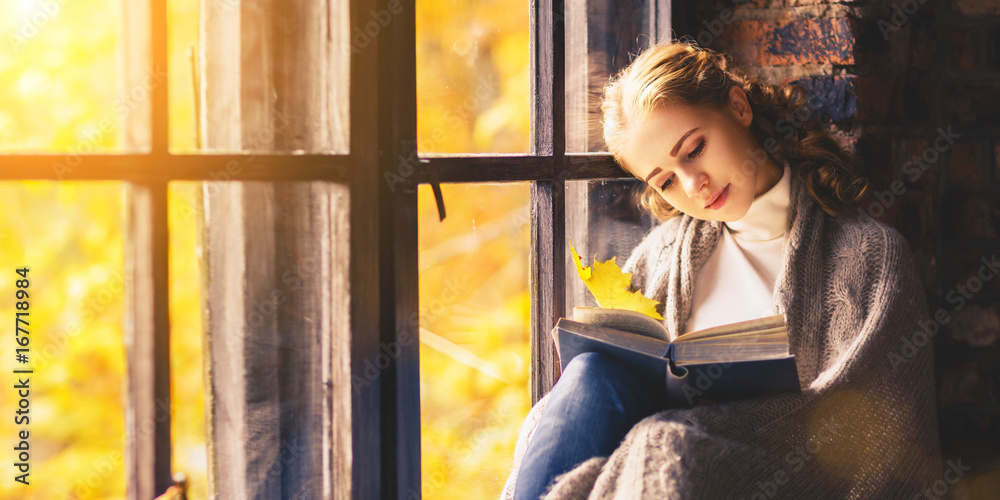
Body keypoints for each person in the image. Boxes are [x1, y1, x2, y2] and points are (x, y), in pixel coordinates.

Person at [502, 39, 942, 500]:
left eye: (694, 149)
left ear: (738, 106)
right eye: (666, 180)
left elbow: (880, 428)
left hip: (767, 479)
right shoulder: (659, 258)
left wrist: (694, 427)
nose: (694, 184)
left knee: (665, 443)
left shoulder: (871, 256)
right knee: (592, 371)